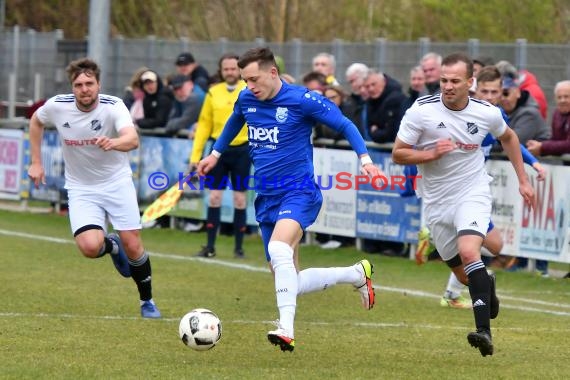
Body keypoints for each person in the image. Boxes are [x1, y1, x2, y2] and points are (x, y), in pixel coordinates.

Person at [197, 47, 381, 352]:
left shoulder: (302, 100)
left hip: (299, 192)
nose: (249, 86)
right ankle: (356, 274)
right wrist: (215, 154)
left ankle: (286, 328)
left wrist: (365, 160)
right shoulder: (247, 98)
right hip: (266, 196)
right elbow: (234, 121)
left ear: (272, 72)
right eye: (245, 80)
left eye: (254, 79)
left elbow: (345, 124)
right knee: (287, 278)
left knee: (279, 248)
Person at [392, 52, 535, 357]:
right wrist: (429, 155)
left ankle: (483, 331)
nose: (447, 86)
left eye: (455, 80)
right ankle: (487, 284)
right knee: (463, 274)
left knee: (471, 251)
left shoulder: (487, 113)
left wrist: (523, 179)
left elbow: (509, 138)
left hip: (472, 191)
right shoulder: (421, 111)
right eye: (444, 80)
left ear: (470, 82)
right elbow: (398, 153)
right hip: (435, 202)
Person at [27, 58, 161, 318]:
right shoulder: (57, 106)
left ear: (99, 84)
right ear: (72, 87)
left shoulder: (114, 107)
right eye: (78, 84)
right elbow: (35, 121)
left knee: (133, 245)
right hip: (81, 188)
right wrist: (35, 162)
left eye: (89, 83)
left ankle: (147, 301)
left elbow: (132, 139)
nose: (84, 88)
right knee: (89, 247)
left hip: (116, 183)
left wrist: (113, 142)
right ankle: (111, 246)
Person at [190, 53, 250, 259]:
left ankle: (239, 248)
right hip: (218, 152)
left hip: (243, 150)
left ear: (240, 70)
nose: (230, 72)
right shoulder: (213, 92)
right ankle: (210, 246)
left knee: (240, 200)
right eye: (226, 69)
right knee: (214, 197)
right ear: (221, 70)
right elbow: (204, 124)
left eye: (234, 68)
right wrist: (195, 156)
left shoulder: (249, 90)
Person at [527, 80, 570, 157]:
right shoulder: (557, 114)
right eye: (559, 97)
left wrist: (542, 147)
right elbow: (555, 140)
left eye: (566, 96)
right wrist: (538, 146)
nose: (562, 100)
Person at [363, 69, 407, 144]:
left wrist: (376, 131)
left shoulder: (396, 99)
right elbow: (369, 128)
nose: (371, 89)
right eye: (367, 86)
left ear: (383, 82)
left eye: (373, 84)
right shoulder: (370, 101)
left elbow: (390, 133)